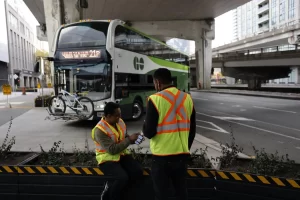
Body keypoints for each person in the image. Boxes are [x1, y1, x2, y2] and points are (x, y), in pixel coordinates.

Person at [143, 68, 196, 200]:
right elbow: (192, 130)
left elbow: (149, 132)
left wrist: (145, 119)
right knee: (181, 193)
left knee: (162, 195)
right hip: (182, 157)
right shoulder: (187, 98)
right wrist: (185, 147)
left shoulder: (155, 99)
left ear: (158, 83)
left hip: (162, 158)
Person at [91, 102, 143, 200]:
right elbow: (112, 150)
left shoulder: (119, 122)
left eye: (120, 114)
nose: (119, 117)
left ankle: (121, 193)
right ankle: (108, 194)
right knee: (122, 178)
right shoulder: (99, 130)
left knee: (137, 172)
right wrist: (129, 140)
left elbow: (123, 137)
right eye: (117, 115)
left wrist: (134, 138)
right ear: (108, 116)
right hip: (106, 159)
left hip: (121, 154)